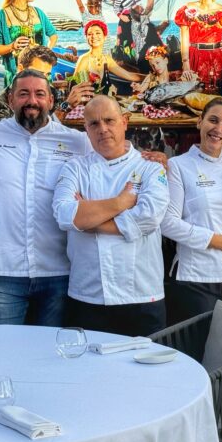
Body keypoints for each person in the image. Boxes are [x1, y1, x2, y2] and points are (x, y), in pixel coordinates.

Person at [0, 69, 91, 327]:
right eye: (23, 94)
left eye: (39, 94)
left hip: (59, 270)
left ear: (51, 101)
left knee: (49, 356)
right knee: (2, 353)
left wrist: (148, 158)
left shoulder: (77, 142)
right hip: (3, 272)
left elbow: (112, 156)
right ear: (10, 100)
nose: (31, 101)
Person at [53, 95, 169, 335]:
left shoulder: (149, 167)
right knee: (90, 371)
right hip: (88, 292)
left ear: (125, 122)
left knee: (146, 371)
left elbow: (148, 217)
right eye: (94, 124)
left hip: (141, 292)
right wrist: (121, 202)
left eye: (109, 120)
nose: (102, 129)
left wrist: (88, 221)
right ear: (86, 129)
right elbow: (65, 215)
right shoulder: (76, 167)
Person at [162, 97, 222, 323]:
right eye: (213, 120)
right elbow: (167, 223)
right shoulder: (178, 165)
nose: (218, 129)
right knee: (198, 352)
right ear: (199, 122)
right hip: (197, 278)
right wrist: (217, 240)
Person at [0, 46, 95, 121]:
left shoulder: (50, 92)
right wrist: (66, 106)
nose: (43, 80)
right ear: (20, 69)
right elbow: (23, 136)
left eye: (47, 75)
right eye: (38, 73)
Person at [0, 0, 58, 88]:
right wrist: (12, 46)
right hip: (16, 76)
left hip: (41, 75)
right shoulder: (2, 15)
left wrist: (45, 52)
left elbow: (53, 35)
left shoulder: (39, 13)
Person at [73, 20, 143, 86]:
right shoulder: (84, 59)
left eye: (97, 33)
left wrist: (150, 77)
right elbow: (75, 85)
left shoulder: (106, 59)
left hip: (101, 96)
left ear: (105, 37)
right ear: (86, 37)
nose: (94, 36)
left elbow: (129, 75)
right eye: (89, 34)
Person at [131, 45, 196, 94]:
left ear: (166, 61)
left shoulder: (176, 76)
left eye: (157, 62)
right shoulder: (151, 77)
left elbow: (191, 83)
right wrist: (137, 87)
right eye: (152, 65)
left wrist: (190, 77)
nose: (156, 67)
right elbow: (141, 89)